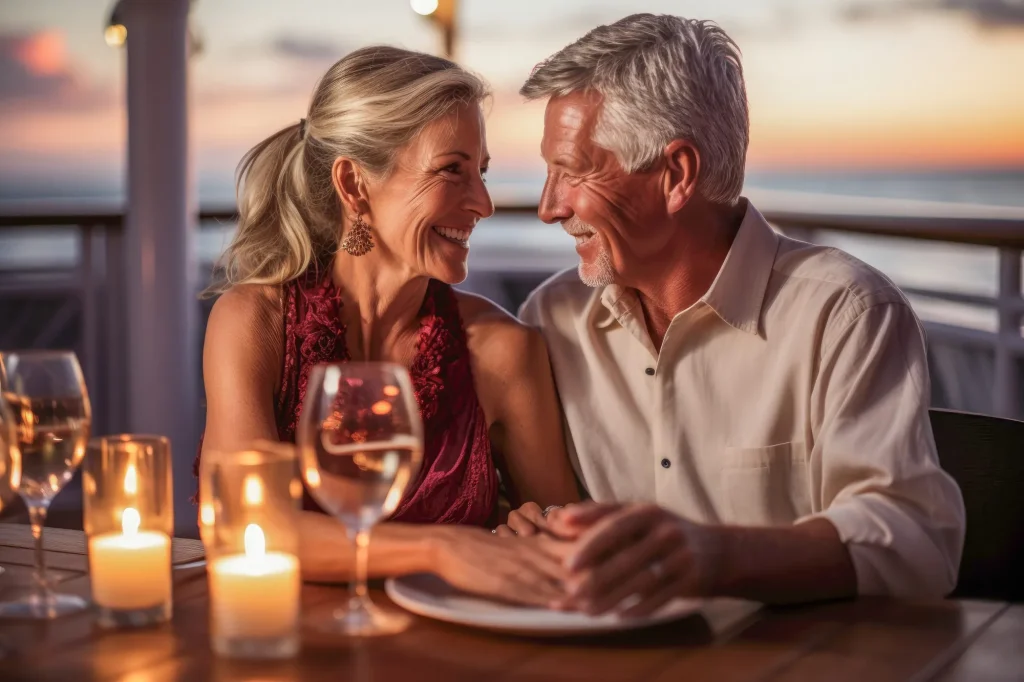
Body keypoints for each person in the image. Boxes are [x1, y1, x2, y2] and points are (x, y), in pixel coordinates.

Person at [509, 14, 965, 614]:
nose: (547, 207)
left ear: (676, 175)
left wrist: (715, 557)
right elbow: (539, 516)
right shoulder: (552, 318)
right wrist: (527, 526)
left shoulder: (845, 312)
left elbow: (915, 540)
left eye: (573, 171)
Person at [199, 46, 578, 606]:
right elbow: (241, 526)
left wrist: (534, 528)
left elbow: (564, 534)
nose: (483, 203)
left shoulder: (502, 353)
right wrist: (442, 549)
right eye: (452, 170)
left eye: (483, 172)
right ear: (354, 185)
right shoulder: (255, 323)